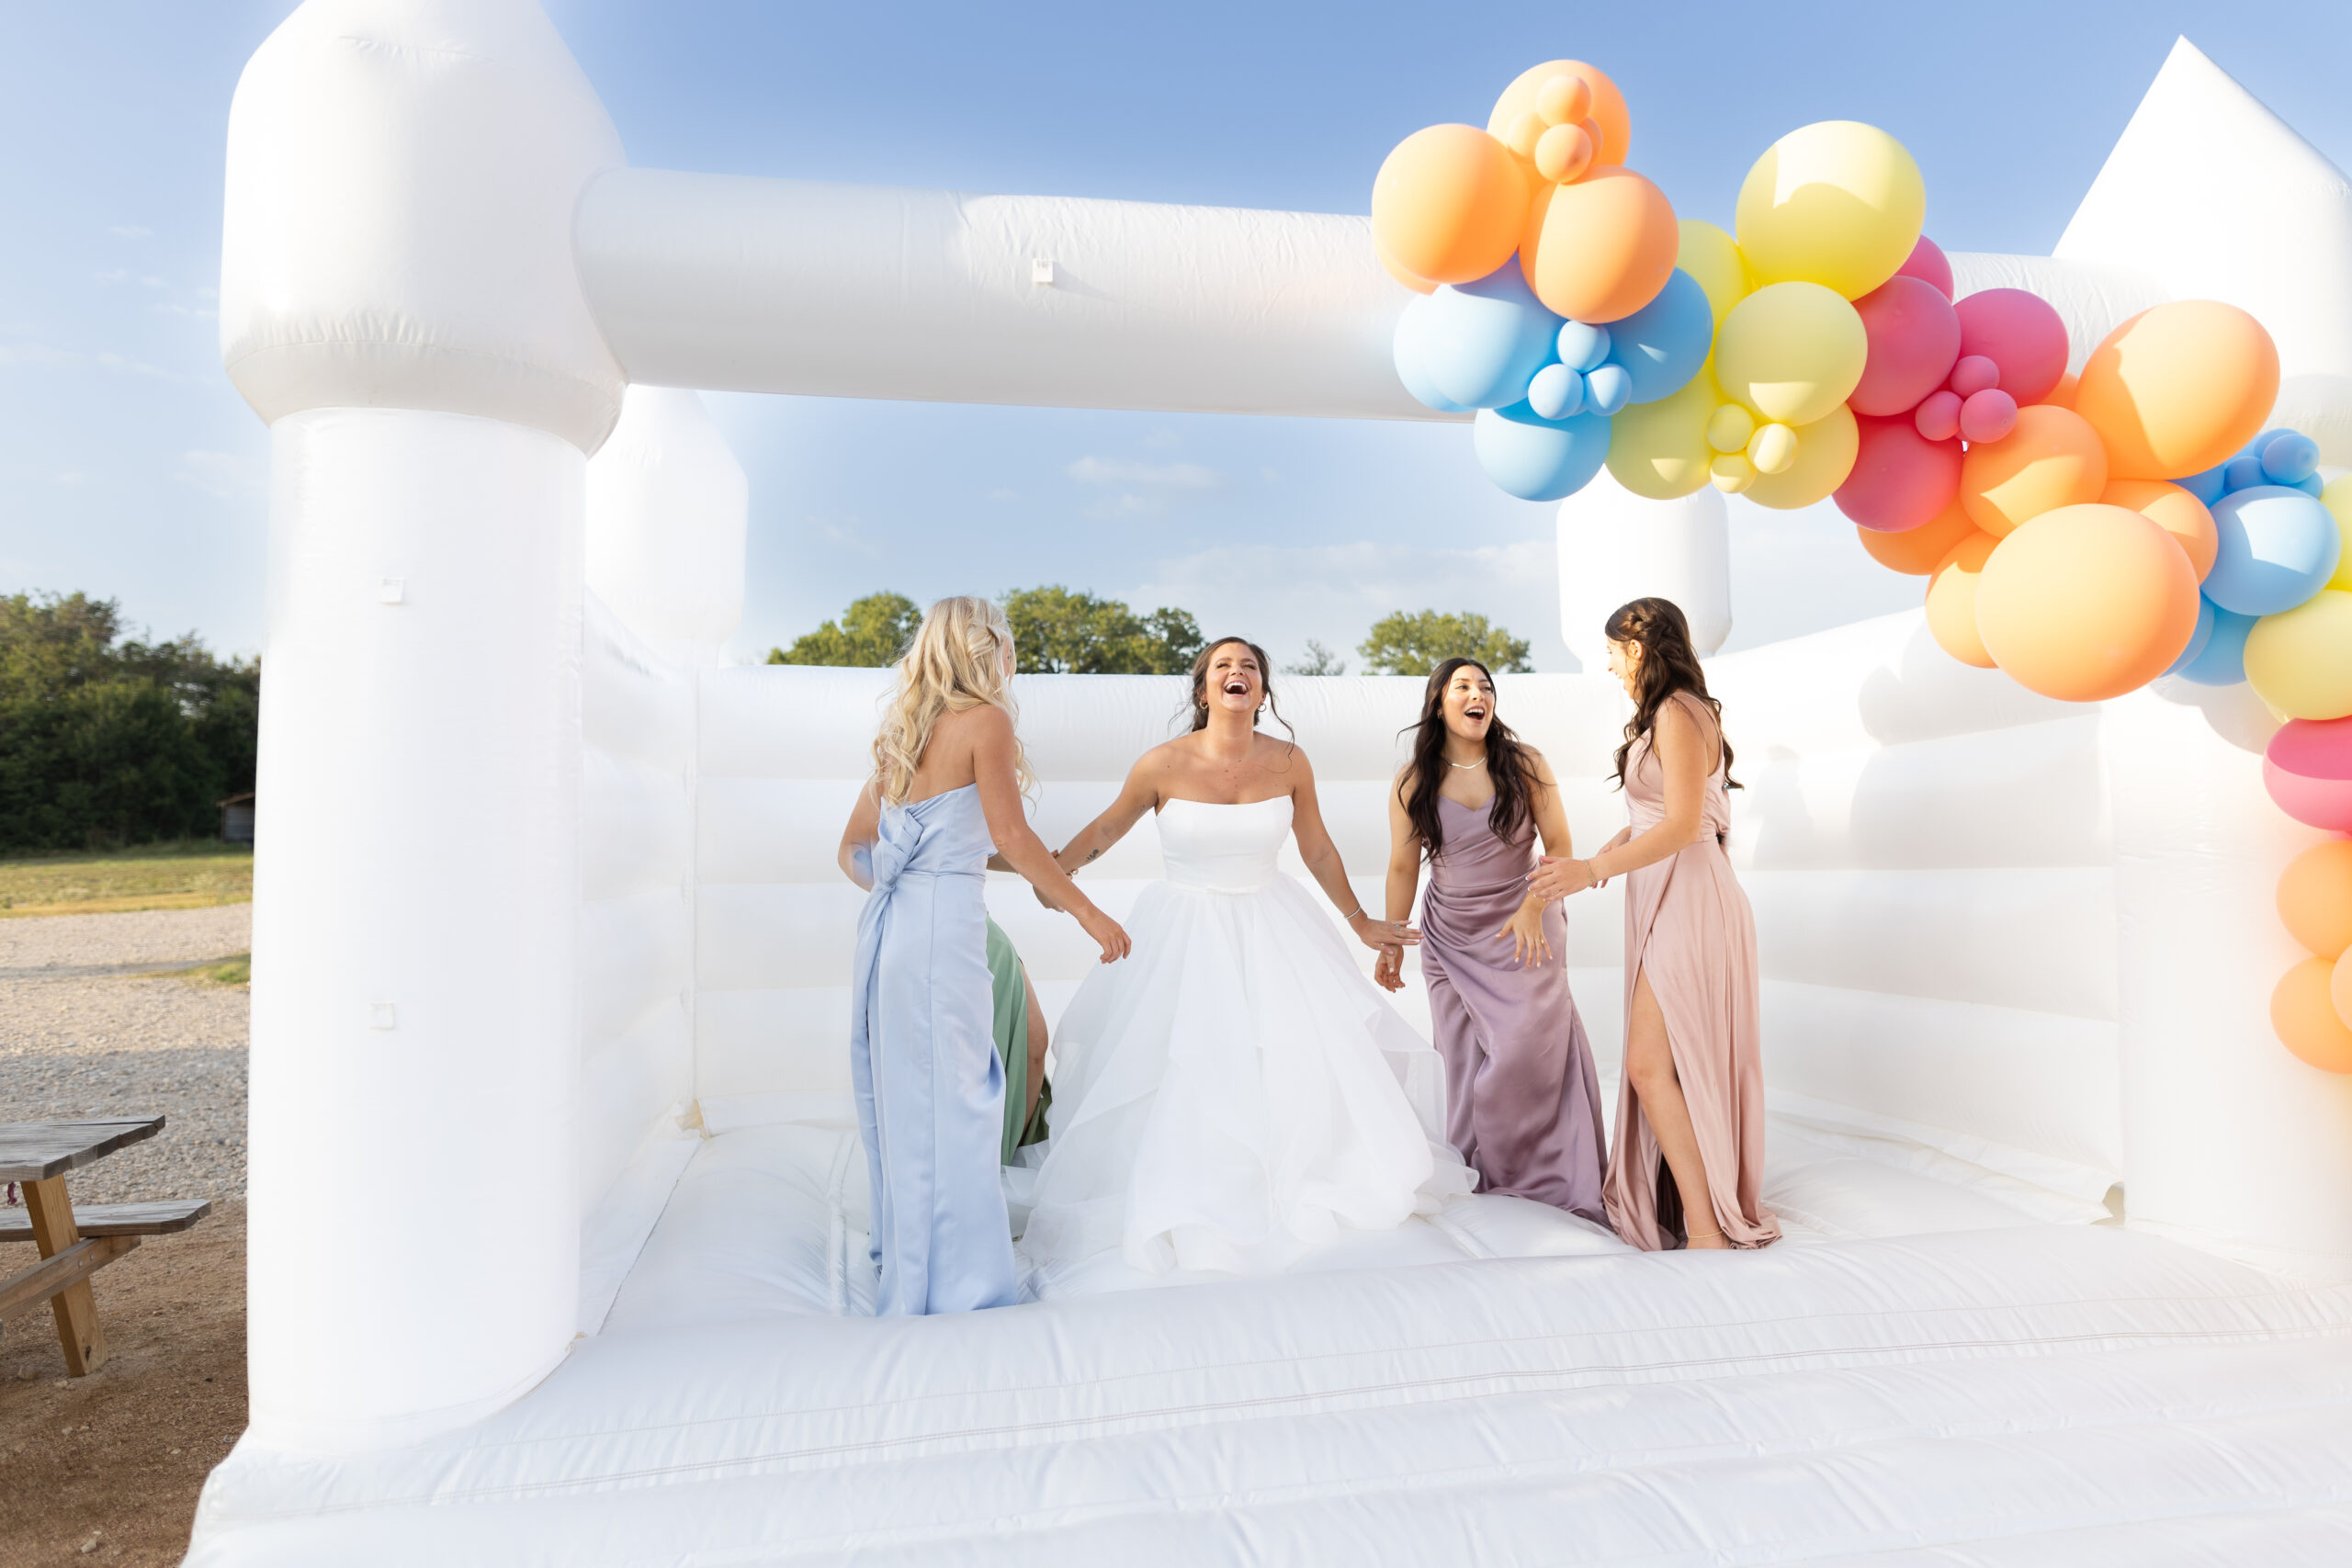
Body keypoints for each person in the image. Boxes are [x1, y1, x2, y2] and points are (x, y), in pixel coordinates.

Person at [1014, 637, 1472, 1288]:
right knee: (1185, 1064)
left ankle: (1282, 1182)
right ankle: (1188, 1185)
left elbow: (1315, 848)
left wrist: (1360, 920)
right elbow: (1105, 830)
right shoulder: (1160, 764)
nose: (1238, 673)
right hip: (1183, 932)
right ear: (1203, 689)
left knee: (1289, 1058)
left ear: (1262, 692)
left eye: (1250, 666)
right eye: (1223, 666)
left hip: (1272, 927)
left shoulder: (1289, 761)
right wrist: (1055, 877)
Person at [838, 596, 1130, 1315]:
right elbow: (1017, 836)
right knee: (963, 1102)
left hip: (895, 931)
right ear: (986, 645)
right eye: (1007, 642)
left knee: (915, 1104)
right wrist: (1090, 913)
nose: (1012, 658)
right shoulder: (986, 720)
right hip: (944, 940)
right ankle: (964, 1282)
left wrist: (917, 873)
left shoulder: (904, 730)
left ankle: (915, 1266)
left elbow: (853, 852)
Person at [1528, 597, 1779, 1252]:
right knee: (1653, 1062)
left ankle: (1706, 1227)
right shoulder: (1670, 714)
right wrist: (1613, 848)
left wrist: (1590, 869)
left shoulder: (1678, 711)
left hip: (1691, 896)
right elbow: (1658, 811)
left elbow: (1682, 821)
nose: (1609, 664)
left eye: (1612, 651)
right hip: (1667, 889)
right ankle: (1698, 1218)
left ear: (1636, 648)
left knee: (1646, 1062)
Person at [1376, 658, 1606, 1223]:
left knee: (1529, 1049)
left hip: (1527, 920)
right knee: (1463, 1058)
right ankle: (1479, 1172)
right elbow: (1404, 866)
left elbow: (1560, 844)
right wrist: (1388, 938)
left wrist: (1533, 907)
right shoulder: (1414, 780)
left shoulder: (1525, 764)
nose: (1477, 694)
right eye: (1463, 686)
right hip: (1449, 933)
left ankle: (1549, 1169)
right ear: (1439, 703)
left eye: (1485, 686)